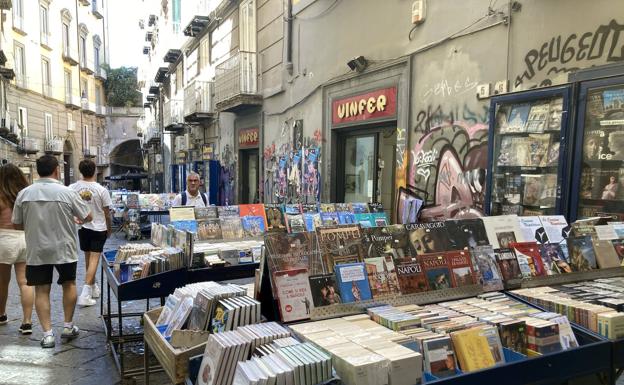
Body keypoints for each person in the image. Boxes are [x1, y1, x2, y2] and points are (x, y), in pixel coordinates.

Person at [12, 155, 92, 348]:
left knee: (41, 290)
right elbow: (88, 216)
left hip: (37, 249)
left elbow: (16, 224)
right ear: (57, 170)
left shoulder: (24, 194)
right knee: (69, 284)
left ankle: (47, 335)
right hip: (64, 247)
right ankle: (67, 326)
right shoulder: (67, 192)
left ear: (38, 170)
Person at [70, 159, 113, 307]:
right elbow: (107, 213)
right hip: (99, 227)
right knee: (94, 259)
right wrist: (109, 229)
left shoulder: (72, 188)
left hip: (83, 228)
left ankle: (93, 287)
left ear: (81, 171)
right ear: (94, 170)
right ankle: (85, 293)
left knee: (88, 258)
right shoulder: (101, 190)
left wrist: (75, 218)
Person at [0, 164, 34, 335]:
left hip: (5, 239)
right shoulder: (27, 195)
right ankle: (27, 322)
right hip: (25, 238)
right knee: (25, 281)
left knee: (2, 282)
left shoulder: (0, 196)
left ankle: (1, 314)